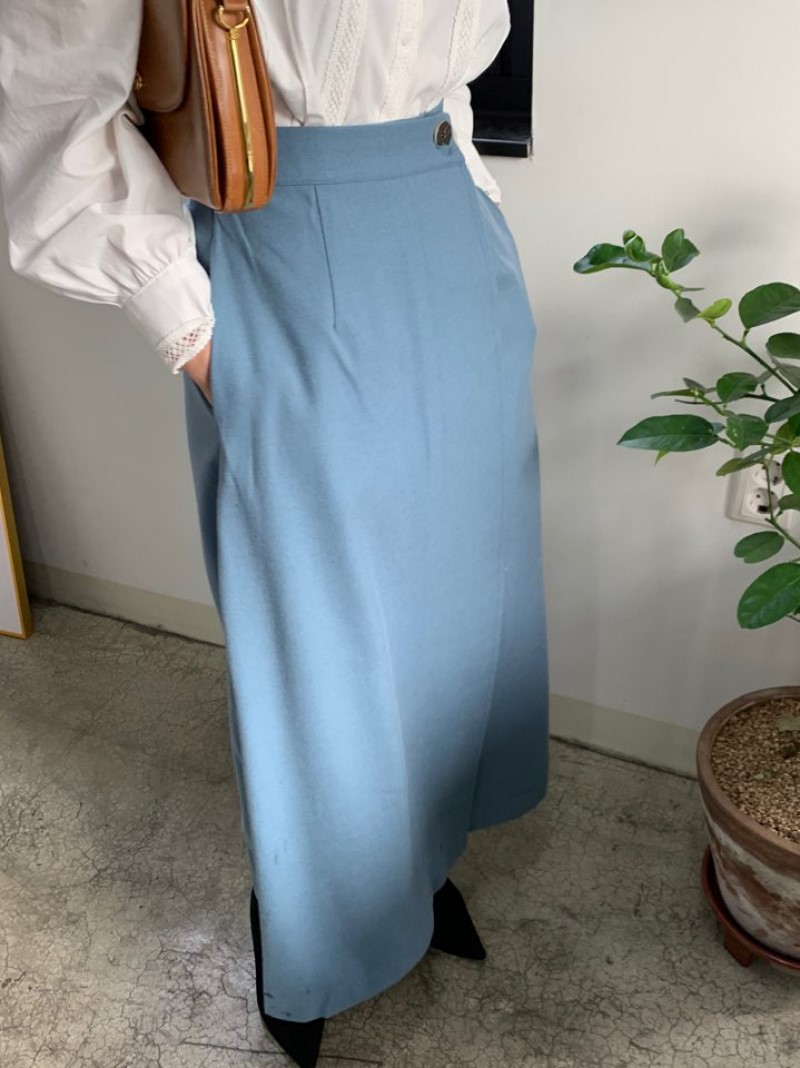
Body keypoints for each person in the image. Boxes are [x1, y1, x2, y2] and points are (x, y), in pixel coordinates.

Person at [0, 3, 550, 1066]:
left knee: (455, 613)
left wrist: (477, 201)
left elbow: (448, 65)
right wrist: (203, 339)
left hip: (451, 237)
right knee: (317, 642)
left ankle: (422, 867)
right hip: (288, 251)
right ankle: (311, 935)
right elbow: (49, 109)